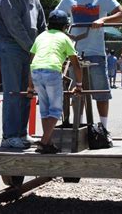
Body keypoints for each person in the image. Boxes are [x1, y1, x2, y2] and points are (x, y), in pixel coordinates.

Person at [56, 0, 122, 130]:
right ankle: (79, 127)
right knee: (77, 92)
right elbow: (56, 18)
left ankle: (103, 128)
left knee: (101, 93)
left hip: (96, 53)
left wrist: (103, 19)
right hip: (74, 53)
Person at [0, 0, 47, 149]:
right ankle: (9, 135)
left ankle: (21, 133)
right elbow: (15, 27)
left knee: (27, 92)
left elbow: (42, 25)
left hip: (31, 50)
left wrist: (45, 45)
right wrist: (35, 49)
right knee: (14, 91)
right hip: (12, 49)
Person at [28, 10, 82, 154]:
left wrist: (30, 86)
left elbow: (31, 60)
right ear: (65, 27)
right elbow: (76, 64)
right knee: (56, 110)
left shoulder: (40, 36)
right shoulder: (65, 39)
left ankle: (49, 144)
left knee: (45, 110)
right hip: (52, 71)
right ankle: (44, 141)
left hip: (36, 71)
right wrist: (79, 86)